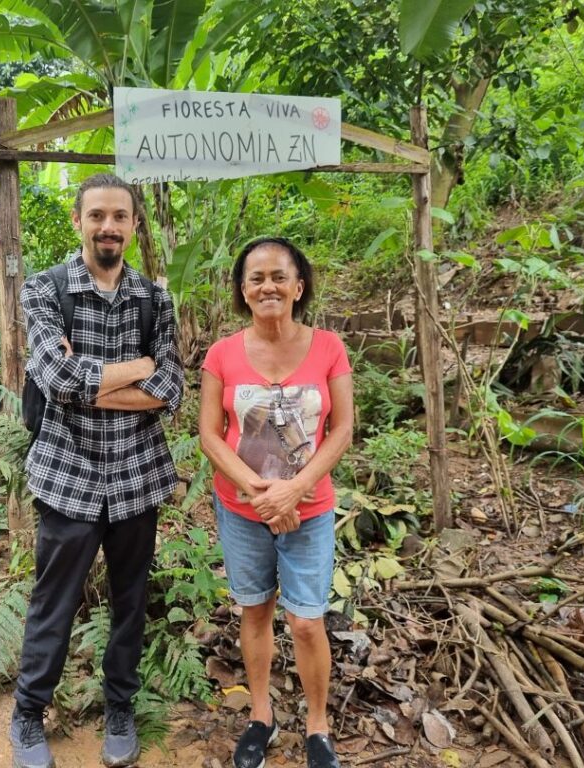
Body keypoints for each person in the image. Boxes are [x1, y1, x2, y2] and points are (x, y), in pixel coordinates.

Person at [10, 173, 184, 768]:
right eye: (97, 215)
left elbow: (171, 389)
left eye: (120, 216)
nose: (108, 226)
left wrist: (92, 379)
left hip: (138, 476)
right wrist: (135, 367)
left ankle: (120, 707)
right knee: (53, 600)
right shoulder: (44, 289)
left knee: (130, 599)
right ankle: (29, 714)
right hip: (68, 474)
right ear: (79, 221)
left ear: (135, 225)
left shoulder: (155, 300)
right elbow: (53, 381)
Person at [199, 236, 353, 768]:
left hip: (309, 510)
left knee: (307, 620)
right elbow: (211, 434)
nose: (268, 285)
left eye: (279, 276)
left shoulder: (329, 346)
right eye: (256, 278)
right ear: (243, 290)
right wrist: (262, 492)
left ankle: (318, 726)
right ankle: (260, 717)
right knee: (256, 609)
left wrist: (294, 487)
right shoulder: (222, 353)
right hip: (243, 510)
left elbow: (342, 428)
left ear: (298, 286)